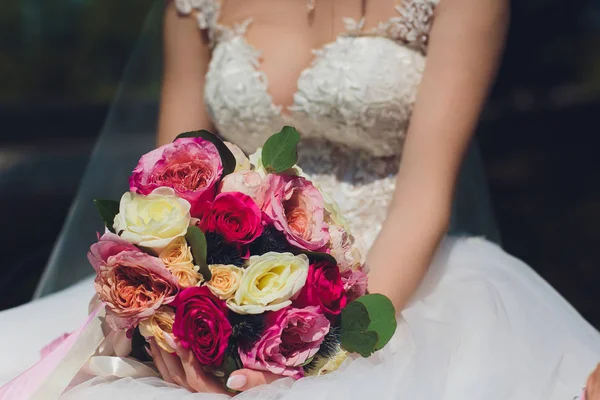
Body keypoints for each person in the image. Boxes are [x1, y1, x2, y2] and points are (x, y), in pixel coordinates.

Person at [1, 0, 599, 399]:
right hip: (221, 282)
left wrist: (323, 349)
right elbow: (169, 183)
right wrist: (178, 320)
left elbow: (425, 193)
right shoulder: (194, 6)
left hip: (393, 278)